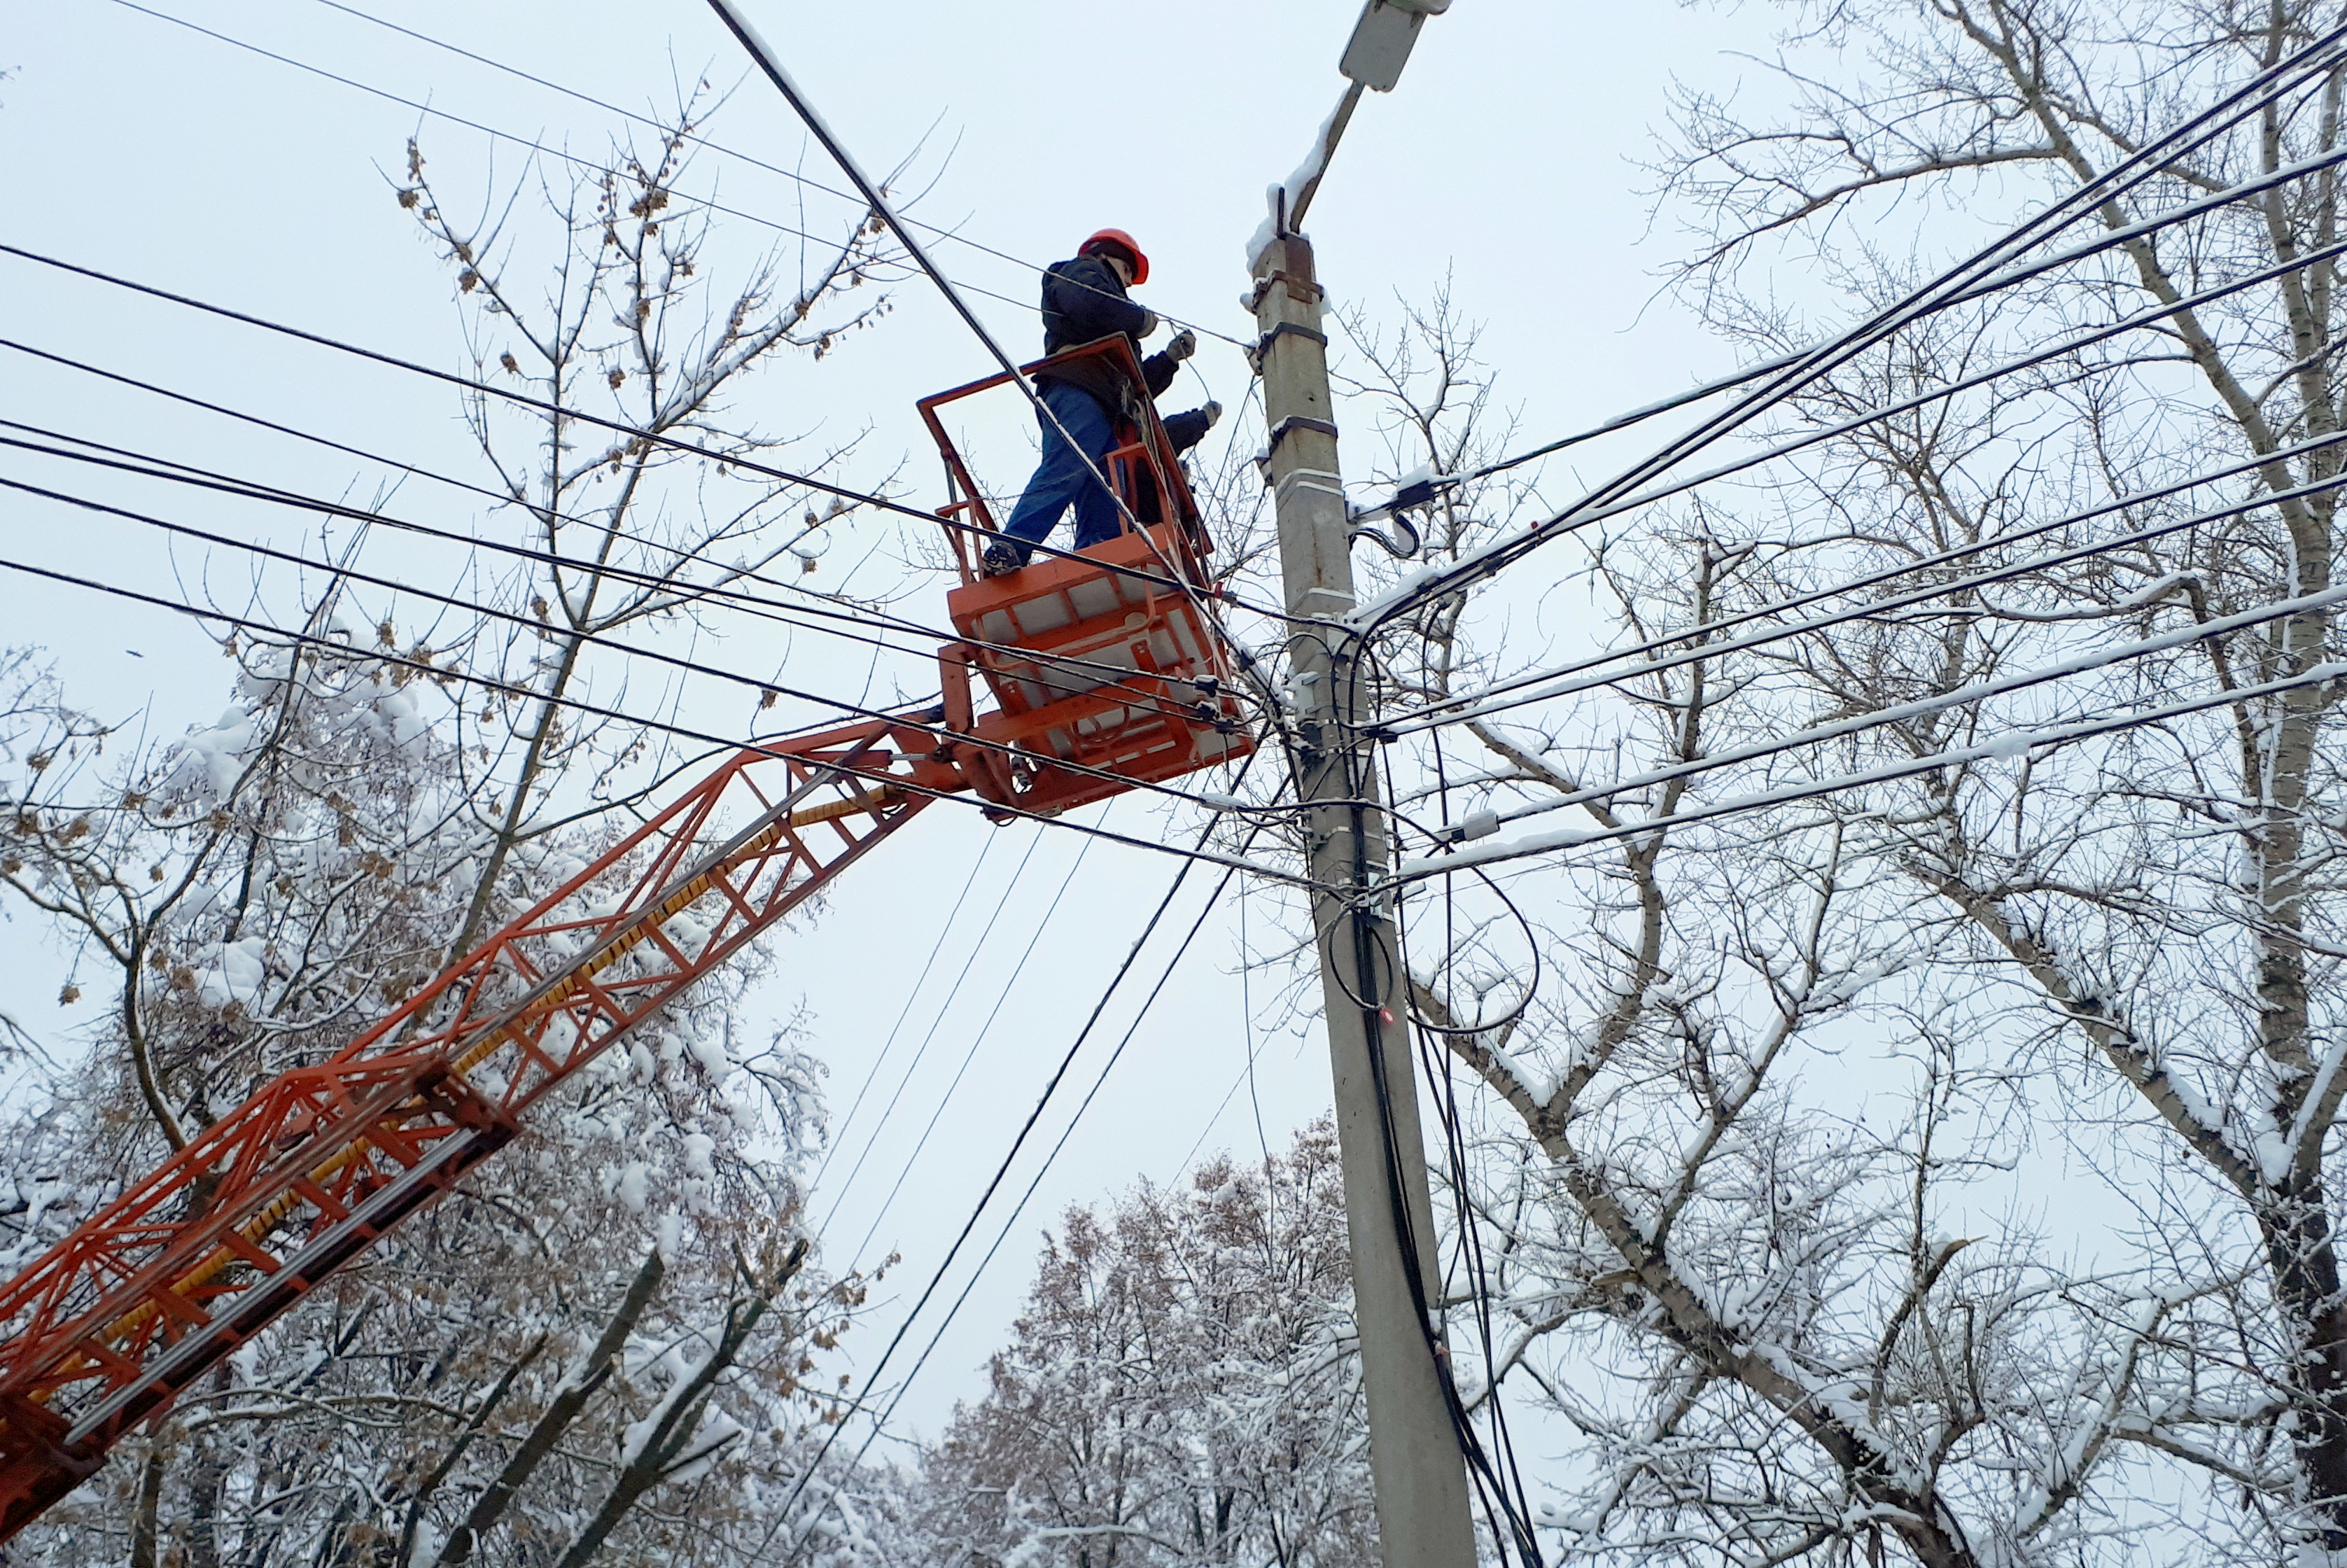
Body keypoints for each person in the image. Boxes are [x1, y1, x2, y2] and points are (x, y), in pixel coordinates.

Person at [981, 228, 1221, 577]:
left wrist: (1169, 360)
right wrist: (1139, 320)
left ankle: (1097, 558)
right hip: (1077, 389)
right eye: (1127, 273)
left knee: (1108, 493)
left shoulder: (1110, 315)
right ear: (1108, 256)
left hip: (1107, 405)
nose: (1127, 284)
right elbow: (1091, 302)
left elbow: (1132, 383)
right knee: (1068, 465)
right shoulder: (1080, 273)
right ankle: (1011, 546)